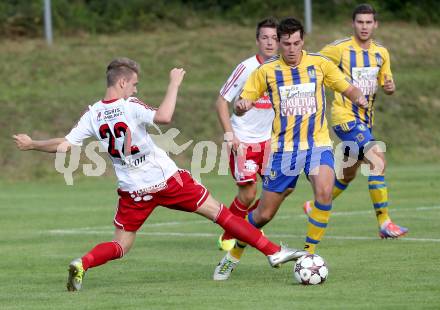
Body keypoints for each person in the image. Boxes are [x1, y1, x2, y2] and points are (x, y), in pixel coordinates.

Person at [13, 57, 307, 291]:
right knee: (221, 214)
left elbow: (64, 146)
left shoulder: (93, 114)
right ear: (123, 82)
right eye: (135, 84)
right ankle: (272, 252)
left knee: (121, 245)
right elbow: (164, 117)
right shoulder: (129, 105)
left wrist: (32, 144)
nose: (136, 90)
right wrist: (174, 83)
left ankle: (83, 262)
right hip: (166, 179)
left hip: (132, 189)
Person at [213, 17, 368, 281]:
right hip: (284, 151)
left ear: (303, 41)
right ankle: (234, 253)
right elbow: (246, 98)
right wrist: (242, 105)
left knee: (324, 192)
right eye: (287, 44)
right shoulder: (266, 71)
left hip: (317, 145)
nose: (292, 49)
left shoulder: (319, 64)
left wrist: (358, 97)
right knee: (264, 213)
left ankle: (308, 254)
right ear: (280, 44)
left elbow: (346, 86)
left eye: (296, 43)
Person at [303, 3, 408, 239]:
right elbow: (313, 62)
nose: (364, 26)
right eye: (360, 22)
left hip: (365, 121)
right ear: (353, 24)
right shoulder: (339, 49)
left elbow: (386, 82)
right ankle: (384, 223)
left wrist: (390, 87)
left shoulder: (382, 53)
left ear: (375, 24)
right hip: (344, 117)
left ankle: (312, 206)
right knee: (377, 157)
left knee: (348, 174)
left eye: (368, 22)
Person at [215, 17, 278, 251]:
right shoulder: (246, 67)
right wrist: (230, 135)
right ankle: (228, 234)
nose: (270, 43)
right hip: (244, 141)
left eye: (274, 38)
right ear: (257, 40)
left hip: (269, 142)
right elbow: (221, 101)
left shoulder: (282, 70)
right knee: (249, 192)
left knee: (281, 189)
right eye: (265, 38)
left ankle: (248, 224)